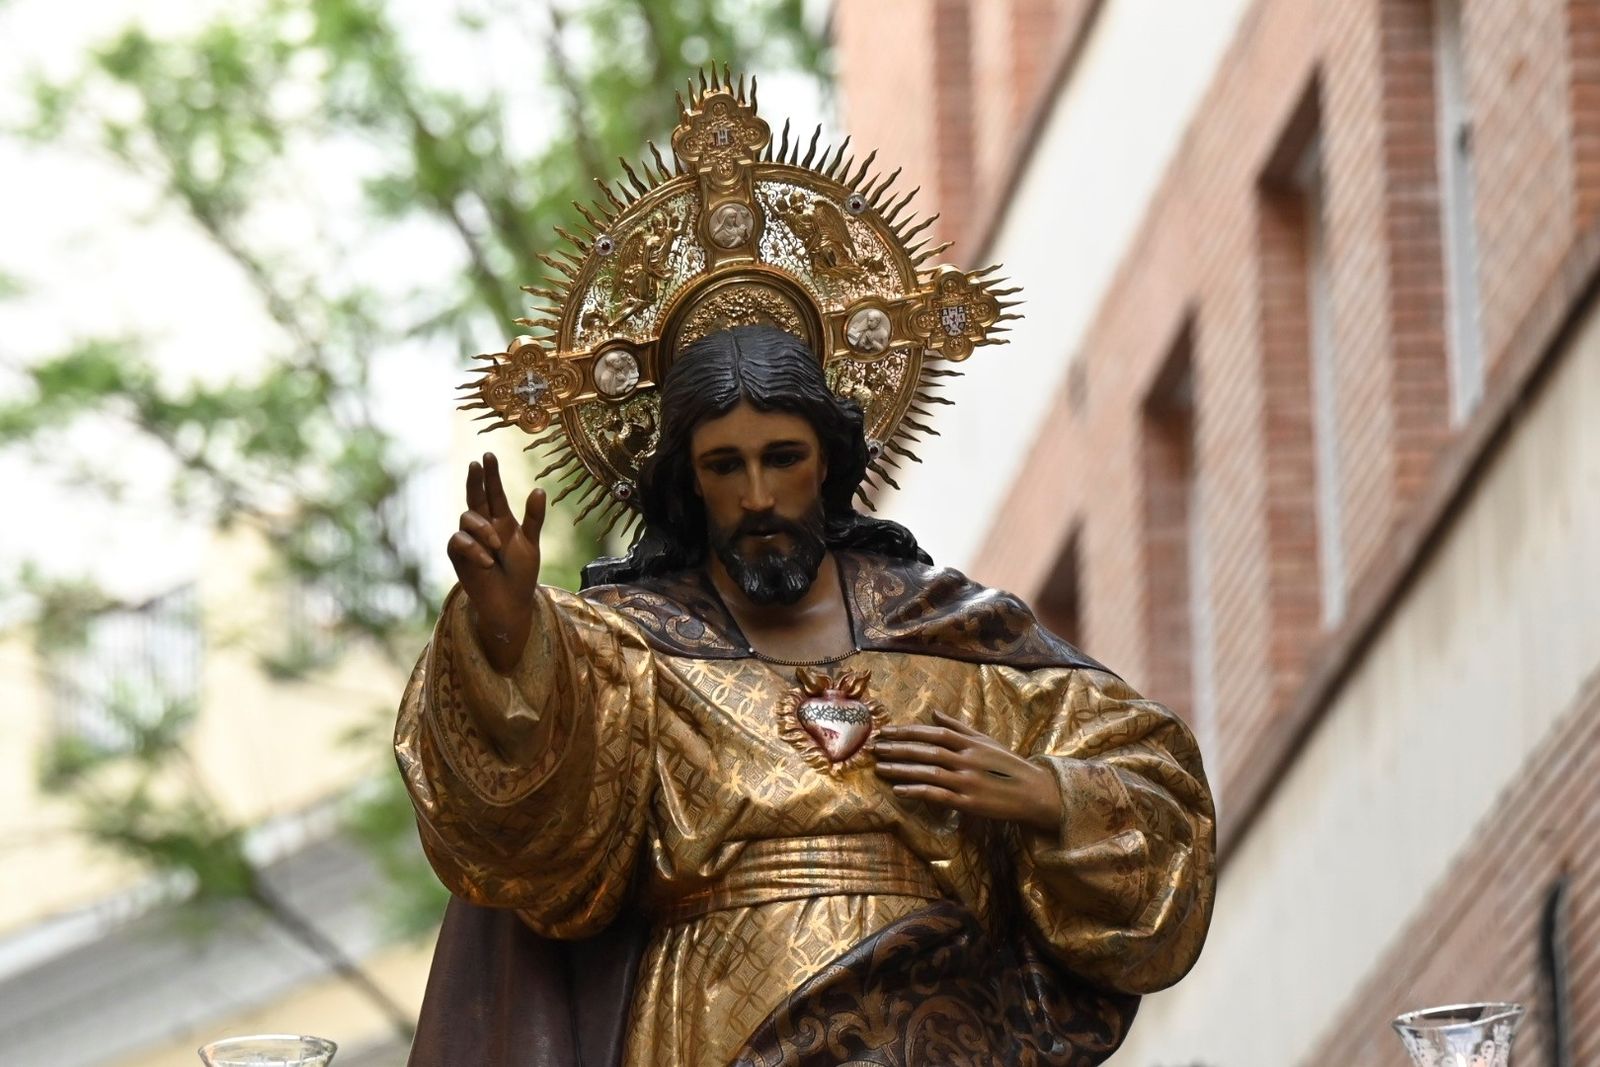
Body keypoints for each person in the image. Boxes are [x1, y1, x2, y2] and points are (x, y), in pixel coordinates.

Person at [396, 325, 1216, 1066]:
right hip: (715, 1024)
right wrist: (507, 631)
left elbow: (1162, 807)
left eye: (782, 457)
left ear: (827, 460)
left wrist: (1053, 796)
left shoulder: (957, 636)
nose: (757, 495)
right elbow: (527, 829)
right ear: (690, 479)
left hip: (939, 1027)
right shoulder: (630, 650)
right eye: (725, 465)